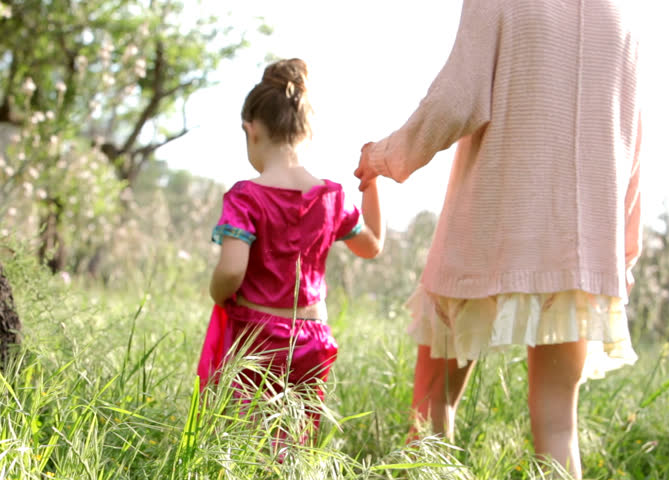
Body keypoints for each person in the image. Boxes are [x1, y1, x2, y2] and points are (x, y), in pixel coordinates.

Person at [354, 0, 642, 478]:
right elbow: (632, 140)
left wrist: (386, 156)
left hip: (488, 234)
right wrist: (622, 251)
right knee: (559, 429)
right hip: (581, 247)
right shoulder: (623, 15)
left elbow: (456, 100)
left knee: (432, 410)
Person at [197, 58, 385, 431]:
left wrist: (217, 293)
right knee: (295, 437)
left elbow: (232, 270)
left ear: (251, 131)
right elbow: (372, 246)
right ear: (306, 133)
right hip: (313, 339)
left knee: (246, 437)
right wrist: (371, 184)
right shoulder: (331, 196)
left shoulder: (245, 197)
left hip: (256, 337)